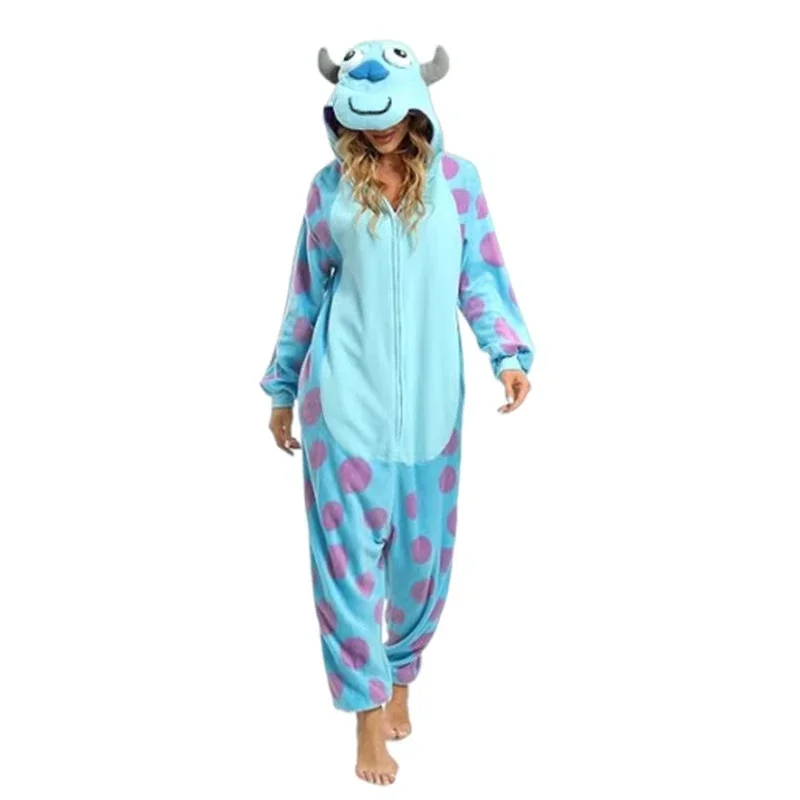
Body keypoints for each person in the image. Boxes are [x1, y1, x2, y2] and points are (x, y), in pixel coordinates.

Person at [260, 40, 534, 785]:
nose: (379, 128)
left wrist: (506, 352)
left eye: (392, 113)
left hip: (432, 412)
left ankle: (401, 670)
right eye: (363, 116)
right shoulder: (329, 189)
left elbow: (480, 274)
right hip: (342, 404)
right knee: (347, 567)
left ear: (420, 106)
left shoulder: (459, 183)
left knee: (421, 565)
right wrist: (282, 389)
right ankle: (366, 717)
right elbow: (305, 291)